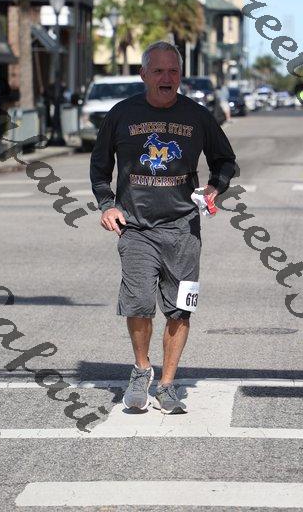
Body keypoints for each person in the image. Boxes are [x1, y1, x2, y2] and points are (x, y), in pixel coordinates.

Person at [90, 41, 236, 414]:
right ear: (144, 75)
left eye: (173, 71)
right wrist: (107, 205)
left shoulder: (198, 116)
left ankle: (167, 385)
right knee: (138, 303)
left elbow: (224, 160)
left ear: (180, 76)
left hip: (183, 230)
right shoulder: (122, 114)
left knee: (180, 309)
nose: (166, 78)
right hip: (136, 228)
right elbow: (100, 167)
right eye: (158, 71)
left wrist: (214, 189)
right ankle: (142, 369)